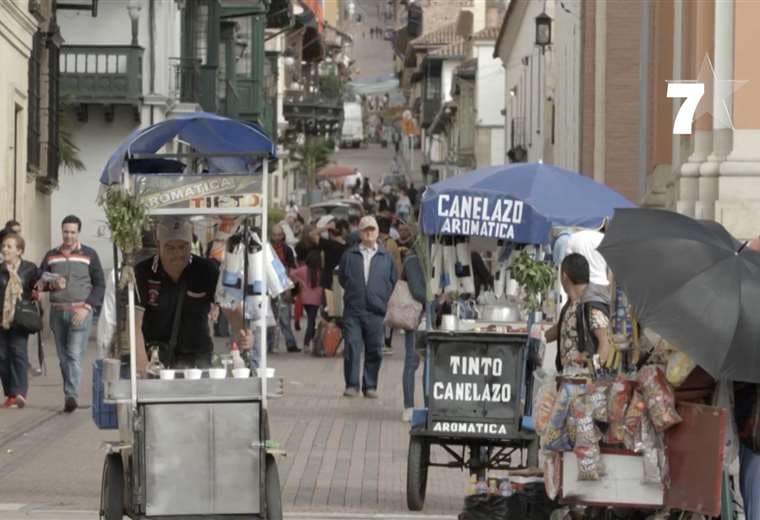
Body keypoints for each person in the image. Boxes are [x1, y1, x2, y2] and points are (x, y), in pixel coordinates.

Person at [133, 217, 252, 373]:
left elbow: (231, 308)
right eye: (170, 247)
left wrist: (242, 332)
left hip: (198, 359)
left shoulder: (206, 270)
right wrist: (142, 369)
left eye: (183, 247)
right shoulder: (142, 272)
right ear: (158, 245)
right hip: (156, 359)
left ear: (191, 244)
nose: (178, 253)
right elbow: (134, 324)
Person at [39, 215, 105, 413]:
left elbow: (100, 284)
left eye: (72, 232)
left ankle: (71, 395)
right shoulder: (51, 255)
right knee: (63, 358)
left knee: (74, 355)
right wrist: (52, 283)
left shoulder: (89, 254)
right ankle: (69, 393)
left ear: (78, 233)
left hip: (80, 312)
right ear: (62, 231)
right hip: (58, 313)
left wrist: (87, 308)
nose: (68, 236)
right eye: (65, 232)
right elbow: (40, 278)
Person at [339, 216, 398, 398]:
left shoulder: (386, 256)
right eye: (365, 229)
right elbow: (343, 278)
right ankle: (352, 385)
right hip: (354, 309)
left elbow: (392, 279)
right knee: (352, 346)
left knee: (375, 350)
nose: (369, 233)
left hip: (376, 310)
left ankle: (370, 385)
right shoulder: (349, 255)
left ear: (377, 232)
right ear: (359, 232)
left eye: (372, 229)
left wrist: (381, 296)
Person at [543, 253, 611, 375]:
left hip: (586, 381)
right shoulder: (571, 304)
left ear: (564, 276)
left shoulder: (591, 305)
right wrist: (540, 338)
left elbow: (605, 343)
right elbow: (563, 327)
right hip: (568, 378)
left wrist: (592, 370)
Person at [0, 234, 40, 408]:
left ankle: (19, 393)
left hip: (20, 319)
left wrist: (45, 286)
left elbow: (41, 282)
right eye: (3, 246)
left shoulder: (29, 269)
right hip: (2, 319)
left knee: (18, 353)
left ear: (19, 251)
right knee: (2, 356)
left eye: (9, 246)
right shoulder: (0, 270)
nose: (4, 249)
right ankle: (10, 394)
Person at [400, 236, 426, 422]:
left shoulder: (427, 257)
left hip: (428, 317)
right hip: (416, 317)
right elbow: (417, 290)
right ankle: (409, 406)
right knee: (412, 361)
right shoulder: (413, 258)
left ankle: (427, 405)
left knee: (428, 363)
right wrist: (436, 298)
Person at [270, 224, 299, 352]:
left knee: (285, 317)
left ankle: (290, 343)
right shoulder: (267, 249)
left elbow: (291, 270)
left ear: (282, 235)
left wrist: (289, 289)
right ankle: (270, 344)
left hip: (283, 286)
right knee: (270, 317)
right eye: (274, 235)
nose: (276, 237)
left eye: (278, 235)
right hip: (269, 287)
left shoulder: (287, 250)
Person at [290, 251, 323, 351]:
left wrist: (299, 281)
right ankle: (307, 343)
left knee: (311, 320)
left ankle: (310, 341)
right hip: (316, 299)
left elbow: (291, 273)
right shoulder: (320, 271)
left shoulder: (304, 269)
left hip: (305, 298)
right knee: (311, 321)